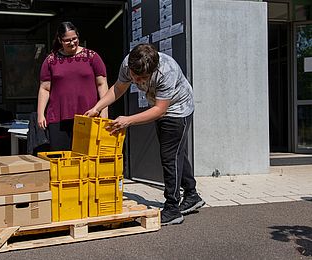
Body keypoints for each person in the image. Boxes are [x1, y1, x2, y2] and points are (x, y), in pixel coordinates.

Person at [85, 43, 205, 225]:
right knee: (176, 153)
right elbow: (118, 88)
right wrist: (97, 107)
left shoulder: (167, 71)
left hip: (178, 109)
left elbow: (159, 110)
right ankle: (192, 194)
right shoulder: (129, 63)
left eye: (144, 78)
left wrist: (128, 120)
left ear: (154, 70)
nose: (139, 81)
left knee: (169, 156)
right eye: (136, 77)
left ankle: (172, 208)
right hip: (160, 106)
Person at [37, 21, 108, 151]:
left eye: (74, 38)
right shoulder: (51, 60)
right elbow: (44, 88)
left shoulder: (91, 57)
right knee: (61, 158)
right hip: (58, 117)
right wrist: (40, 114)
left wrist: (104, 111)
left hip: (88, 116)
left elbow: (102, 84)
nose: (72, 43)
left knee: (87, 158)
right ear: (60, 40)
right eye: (67, 40)